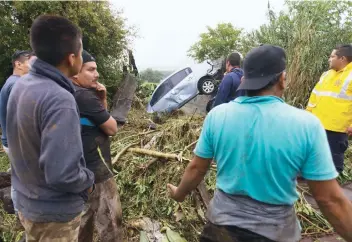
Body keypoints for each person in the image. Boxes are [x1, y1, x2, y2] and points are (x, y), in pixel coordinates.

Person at [167, 45, 352, 242]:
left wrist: (179, 194)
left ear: (244, 80)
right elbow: (328, 199)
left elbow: (196, 168)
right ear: (282, 78)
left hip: (219, 230)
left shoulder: (217, 116)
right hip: (275, 234)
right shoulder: (306, 125)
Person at [6, 15, 94, 242]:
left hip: (27, 201)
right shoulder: (59, 99)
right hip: (53, 215)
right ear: (72, 57)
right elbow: (63, 174)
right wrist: (88, 179)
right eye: (81, 50)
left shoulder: (22, 84)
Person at [71, 50, 122, 242]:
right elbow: (111, 127)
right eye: (91, 70)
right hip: (96, 168)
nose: (96, 74)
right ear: (76, 71)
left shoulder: (67, 90)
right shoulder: (85, 96)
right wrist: (102, 99)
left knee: (83, 217)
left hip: (78, 167)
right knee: (111, 220)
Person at [307, 44, 352, 174]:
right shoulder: (326, 74)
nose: (329, 59)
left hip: (337, 126)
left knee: (334, 156)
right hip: (318, 122)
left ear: (342, 58)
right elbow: (315, 95)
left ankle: (332, 184)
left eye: (332, 56)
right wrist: (308, 114)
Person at [0, 50, 32, 154]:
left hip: (12, 142)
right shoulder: (17, 84)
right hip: (17, 144)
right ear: (18, 64)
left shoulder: (12, 81)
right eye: (31, 62)